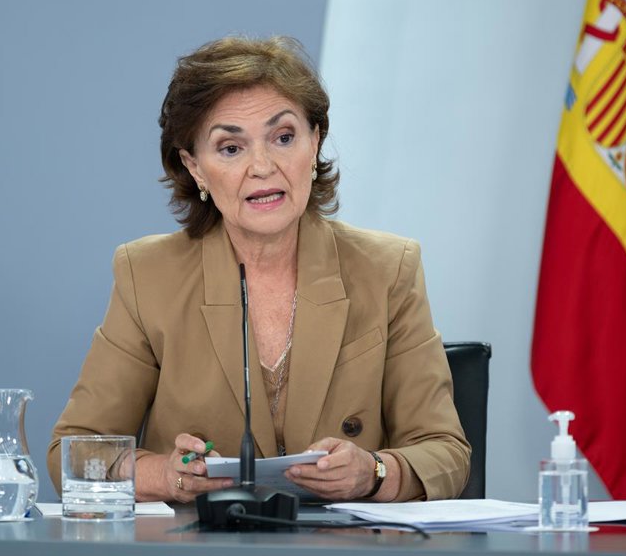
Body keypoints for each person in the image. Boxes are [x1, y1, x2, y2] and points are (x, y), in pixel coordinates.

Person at [48, 36, 470, 502]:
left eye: (283, 138)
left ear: (315, 142)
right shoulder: (147, 275)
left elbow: (446, 452)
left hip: (342, 538)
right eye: (231, 148)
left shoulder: (387, 269)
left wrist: (373, 472)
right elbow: (74, 453)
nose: (263, 167)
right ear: (195, 167)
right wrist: (164, 476)